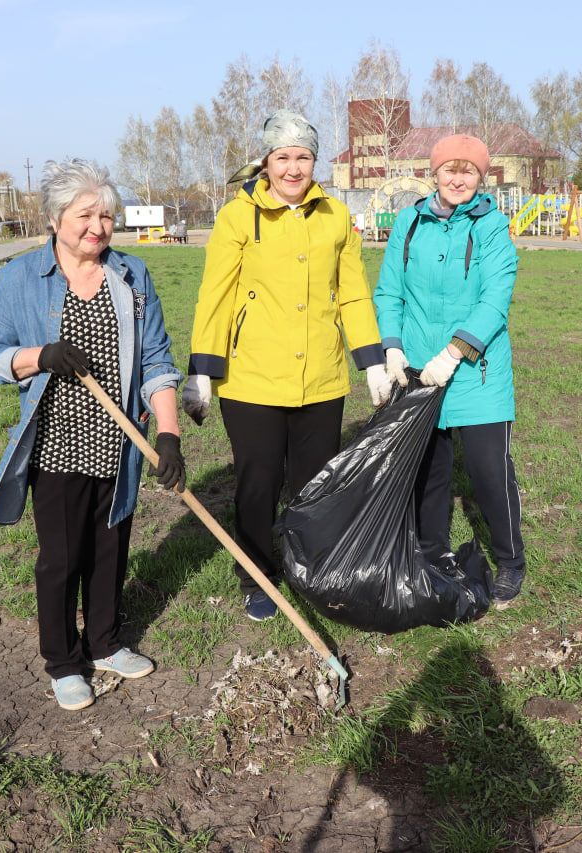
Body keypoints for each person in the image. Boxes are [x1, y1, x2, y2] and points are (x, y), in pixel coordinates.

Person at [0, 158, 184, 711]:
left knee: (111, 548)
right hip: (56, 443)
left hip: (121, 443)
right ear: (54, 218)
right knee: (63, 557)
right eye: (85, 214)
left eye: (107, 216)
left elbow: (158, 358)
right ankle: (64, 661)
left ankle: (106, 643)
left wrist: (168, 435)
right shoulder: (18, 278)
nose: (98, 226)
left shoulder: (133, 275)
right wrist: (38, 356)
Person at [181, 109, 389, 622]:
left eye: (302, 157)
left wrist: (372, 360)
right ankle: (257, 576)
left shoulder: (335, 216)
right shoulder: (238, 216)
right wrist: (204, 368)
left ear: (313, 161)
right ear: (266, 162)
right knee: (258, 483)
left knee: (315, 483)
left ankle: (308, 568)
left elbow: (354, 294)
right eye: (283, 158)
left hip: (320, 378)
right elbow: (217, 296)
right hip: (252, 380)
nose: (293, 169)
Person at [373, 134, 526, 609]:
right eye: (449, 169)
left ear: (481, 178)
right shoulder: (409, 222)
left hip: (477, 373)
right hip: (418, 371)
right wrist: (393, 350)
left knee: (487, 471)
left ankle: (511, 561)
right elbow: (388, 292)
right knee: (429, 471)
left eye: (469, 171)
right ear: (433, 173)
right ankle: (431, 552)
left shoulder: (492, 226)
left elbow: (495, 298)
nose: (458, 178)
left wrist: (456, 352)